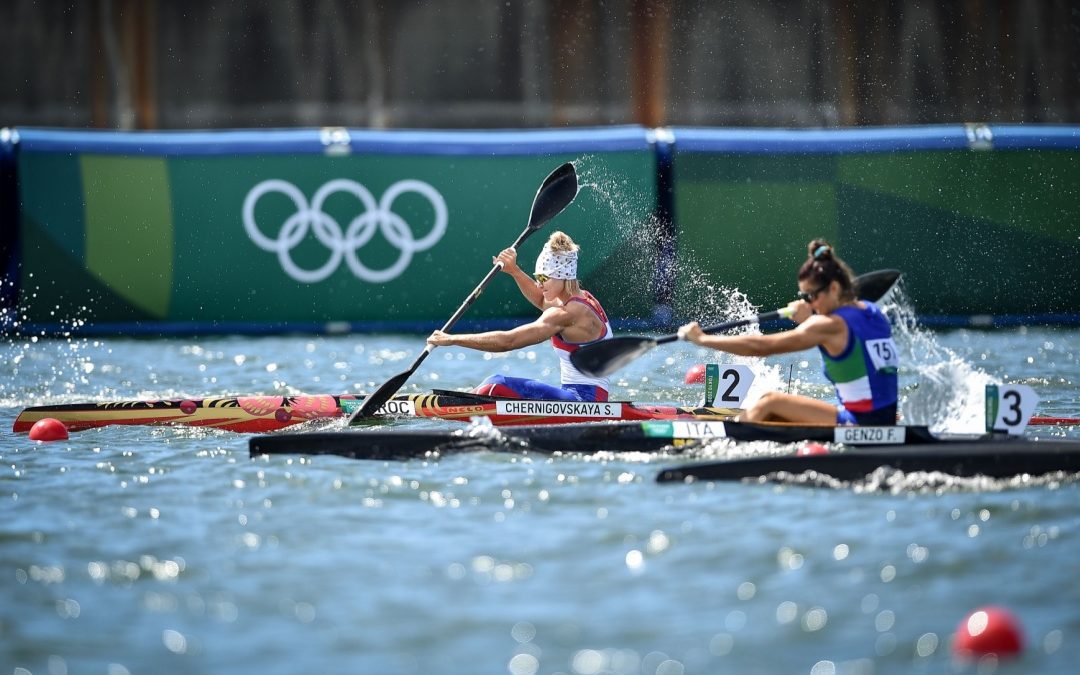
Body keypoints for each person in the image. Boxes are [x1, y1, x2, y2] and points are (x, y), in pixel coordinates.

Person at [677, 239, 898, 425]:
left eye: (812, 296)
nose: (809, 302)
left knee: (769, 402)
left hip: (859, 422)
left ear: (834, 288)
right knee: (778, 412)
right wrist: (812, 316)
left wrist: (703, 338)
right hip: (885, 418)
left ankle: (723, 439)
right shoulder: (872, 311)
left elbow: (761, 347)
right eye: (804, 297)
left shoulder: (827, 325)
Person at [426, 231, 613, 402]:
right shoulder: (582, 298)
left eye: (543, 278)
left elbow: (509, 341)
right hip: (582, 397)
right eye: (537, 277)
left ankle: (446, 408)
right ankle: (457, 402)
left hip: (583, 401)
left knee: (497, 384)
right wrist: (514, 270)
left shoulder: (568, 313)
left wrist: (452, 339)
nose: (539, 284)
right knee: (494, 385)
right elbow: (541, 300)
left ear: (563, 275)